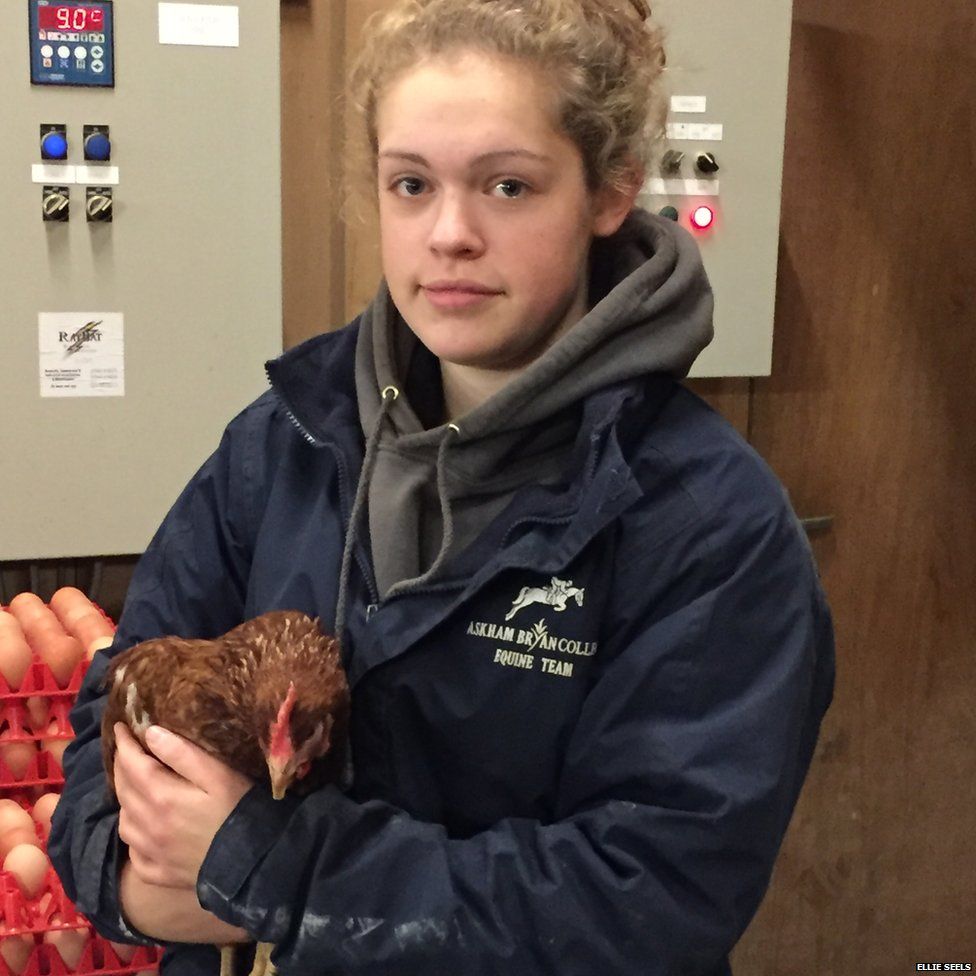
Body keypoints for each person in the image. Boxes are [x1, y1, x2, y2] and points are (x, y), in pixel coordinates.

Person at [50, 1, 835, 973]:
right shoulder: (283, 442)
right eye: (411, 183)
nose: (450, 232)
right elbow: (105, 721)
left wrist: (268, 875)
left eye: (507, 184)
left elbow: (650, 902)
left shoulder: (709, 526)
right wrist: (134, 887)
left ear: (609, 191)